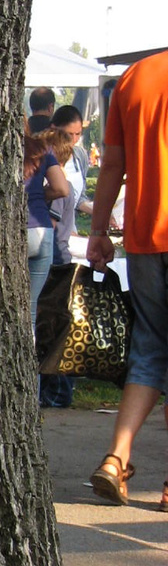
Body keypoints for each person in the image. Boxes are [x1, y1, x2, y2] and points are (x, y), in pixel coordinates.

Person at [85, 48, 168, 508]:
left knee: (151, 347)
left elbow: (112, 167)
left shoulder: (137, 76)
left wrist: (98, 231)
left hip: (145, 236)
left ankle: (116, 458)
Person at [40, 106, 91, 409]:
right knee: (57, 324)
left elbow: (56, 224)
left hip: (56, 257)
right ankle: (58, 391)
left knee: (52, 326)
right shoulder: (66, 187)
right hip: (61, 254)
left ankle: (57, 392)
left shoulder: (60, 189)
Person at [24, 124, 69, 336]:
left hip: (16, 231)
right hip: (41, 228)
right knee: (32, 314)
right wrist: (39, 195)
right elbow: (61, 188)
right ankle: (33, 369)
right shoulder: (41, 149)